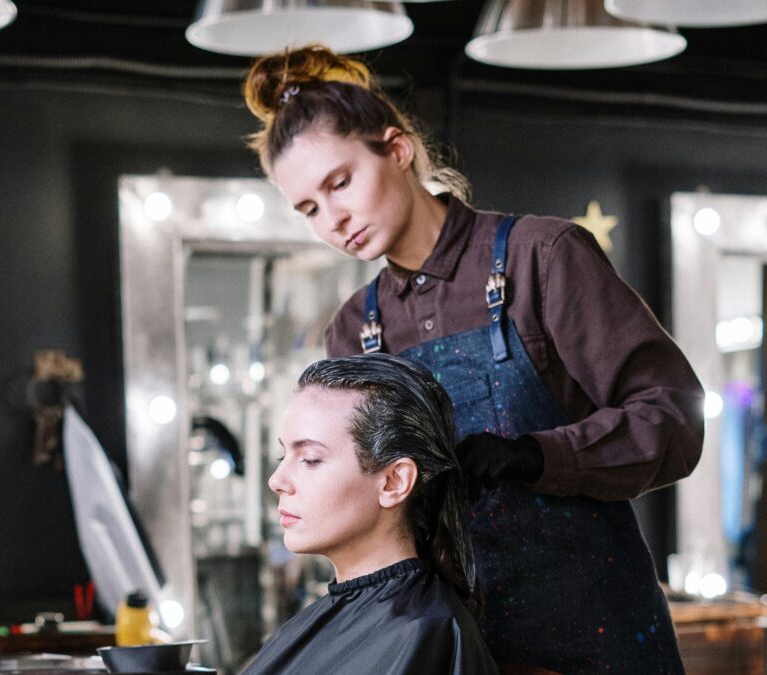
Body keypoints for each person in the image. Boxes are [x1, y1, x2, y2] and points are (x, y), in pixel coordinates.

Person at [242, 45, 704, 673]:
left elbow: (674, 421)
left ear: (397, 149)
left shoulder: (541, 257)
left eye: (340, 182)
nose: (333, 219)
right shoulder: (354, 329)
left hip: (597, 631)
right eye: (309, 208)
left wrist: (537, 455)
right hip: (450, 641)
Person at [243, 353, 498, 675]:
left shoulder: (421, 634)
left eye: (309, 459)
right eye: (283, 454)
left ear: (394, 482)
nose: (276, 481)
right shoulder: (345, 618)